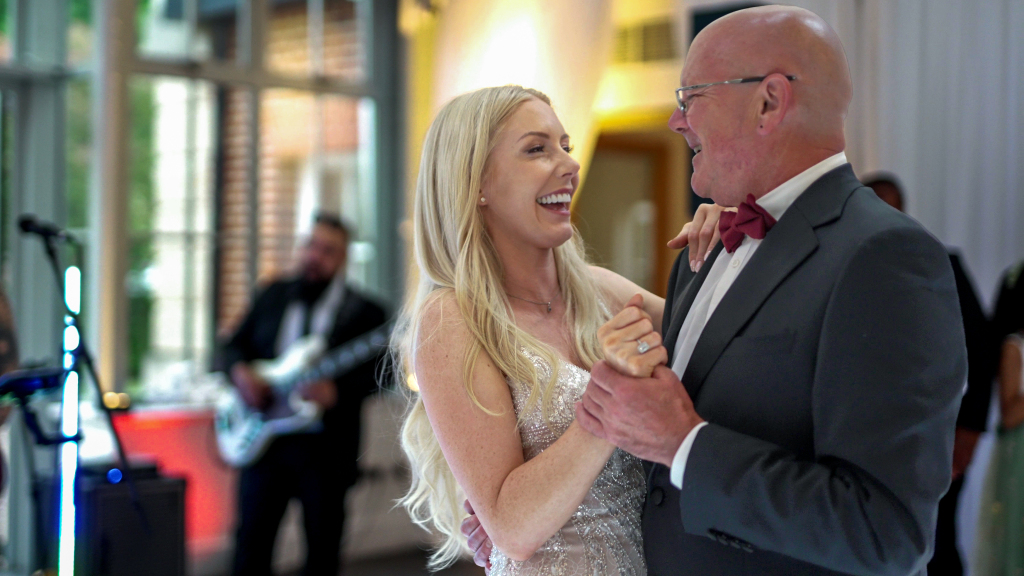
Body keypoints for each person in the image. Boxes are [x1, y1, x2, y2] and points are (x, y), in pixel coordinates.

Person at [568, 6, 965, 576]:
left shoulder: (885, 258)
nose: (677, 123)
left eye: (690, 98)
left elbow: (886, 532)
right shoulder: (704, 251)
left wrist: (688, 444)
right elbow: (662, 471)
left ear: (769, 102)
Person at [394, 84, 724, 574]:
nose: (569, 165)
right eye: (536, 149)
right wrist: (612, 393)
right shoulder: (452, 319)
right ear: (475, 183)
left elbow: (724, 350)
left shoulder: (602, 292)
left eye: (565, 147)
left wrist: (729, 248)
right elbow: (513, 528)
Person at [220, 213, 387, 576]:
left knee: (323, 553)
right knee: (250, 548)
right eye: (311, 245)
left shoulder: (367, 312)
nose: (315, 255)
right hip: (263, 444)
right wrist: (242, 375)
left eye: (328, 250)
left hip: (325, 450)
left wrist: (338, 392)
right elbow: (231, 347)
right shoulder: (273, 294)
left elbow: (384, 375)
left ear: (343, 258)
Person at [864, 173, 996, 576]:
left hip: (940, 439)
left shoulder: (940, 263)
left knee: (940, 545)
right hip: (873, 440)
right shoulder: (848, 272)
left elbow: (981, 349)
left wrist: (968, 432)